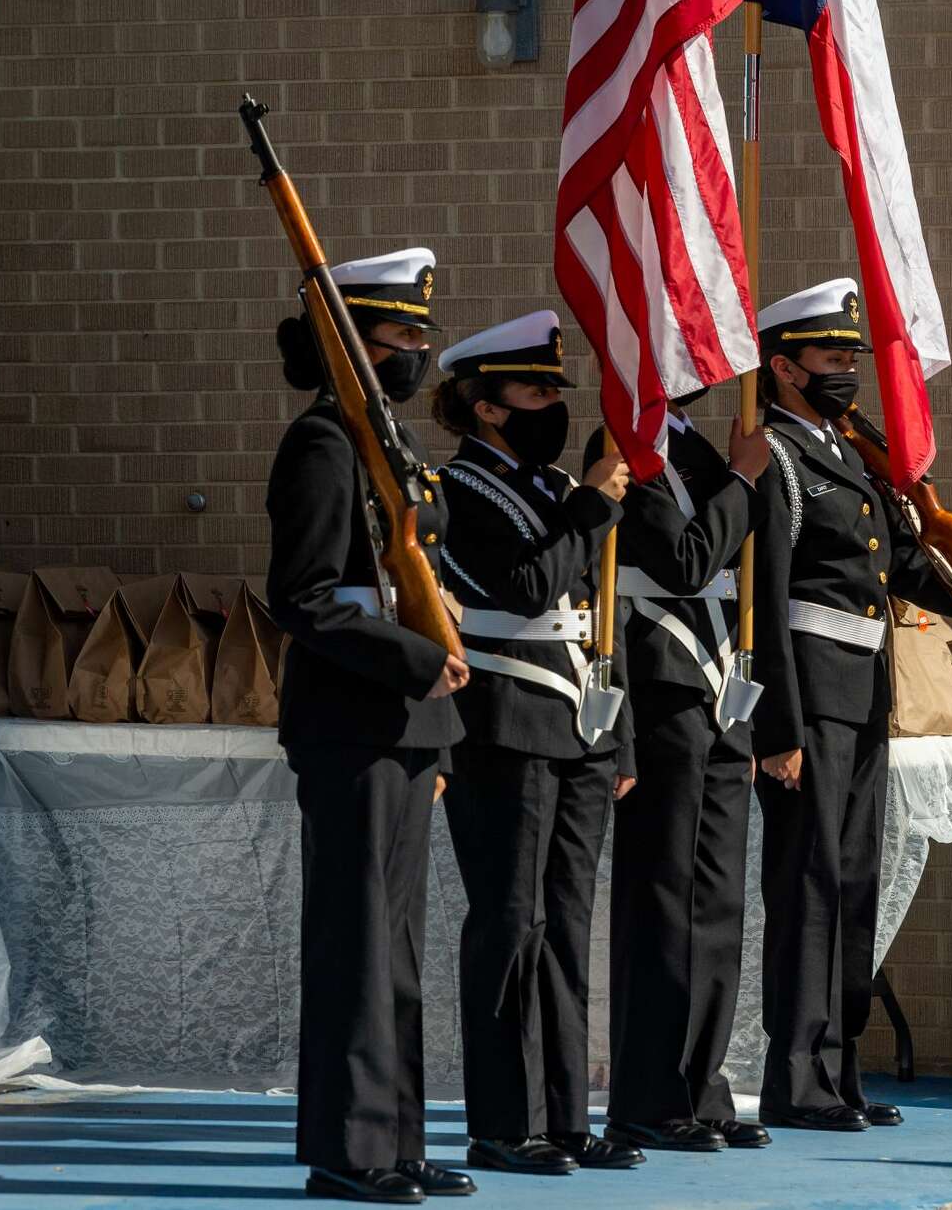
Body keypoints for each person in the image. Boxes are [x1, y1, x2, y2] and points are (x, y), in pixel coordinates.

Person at [752, 278, 952, 1134]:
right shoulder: (773, 453)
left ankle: (839, 1071)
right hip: (809, 691)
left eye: (852, 356)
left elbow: (898, 563)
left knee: (850, 883)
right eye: (834, 356)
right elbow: (767, 598)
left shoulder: (845, 450)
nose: (849, 369)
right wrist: (780, 725)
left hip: (862, 689)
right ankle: (794, 1077)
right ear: (784, 365)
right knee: (807, 886)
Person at [265, 249, 475, 1206]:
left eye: (422, 337)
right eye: (402, 336)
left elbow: (419, 590)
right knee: (355, 941)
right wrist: (415, 665)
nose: (418, 352)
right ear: (352, 345)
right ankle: (347, 1150)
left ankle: (394, 1135)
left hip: (405, 726)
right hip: (350, 721)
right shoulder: (321, 445)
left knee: (396, 948)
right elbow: (303, 596)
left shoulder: (390, 447)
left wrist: (436, 723)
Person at [434, 311, 643, 1178]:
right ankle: (501, 1121)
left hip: (578, 730)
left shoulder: (558, 488)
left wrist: (621, 738)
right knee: (511, 923)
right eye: (534, 388)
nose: (553, 401)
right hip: (503, 726)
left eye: (557, 386)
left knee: (566, 926)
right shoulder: (459, 490)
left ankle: (563, 1116)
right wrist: (594, 503)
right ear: (485, 406)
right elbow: (526, 588)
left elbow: (599, 610)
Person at [583, 394, 773, 1154]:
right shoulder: (628, 442)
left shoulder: (695, 448)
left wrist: (735, 475)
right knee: (663, 901)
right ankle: (649, 1095)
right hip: (661, 686)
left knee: (717, 904)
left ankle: (702, 1084)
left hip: (722, 686)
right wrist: (745, 481)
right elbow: (686, 559)